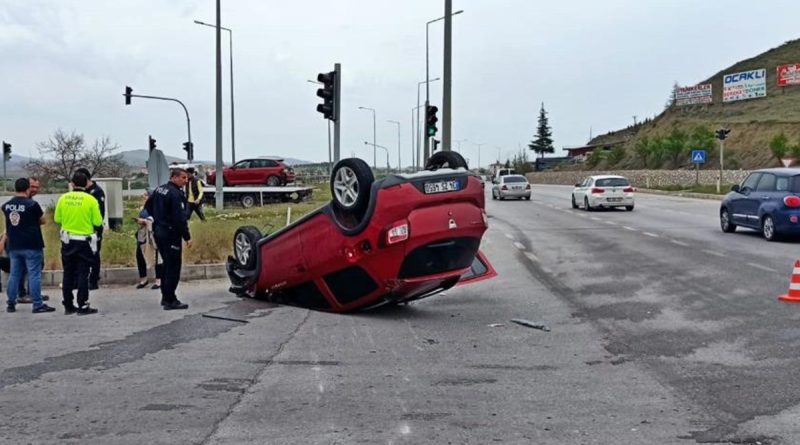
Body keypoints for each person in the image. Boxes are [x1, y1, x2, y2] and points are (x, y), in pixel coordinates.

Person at [53, 171, 102, 315]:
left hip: (67, 241)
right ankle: (83, 305)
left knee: (68, 273)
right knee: (83, 273)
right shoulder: (90, 199)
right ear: (86, 183)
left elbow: (57, 219)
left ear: (72, 184)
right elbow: (97, 222)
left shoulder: (63, 198)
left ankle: (68, 305)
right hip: (84, 242)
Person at [4, 178, 54, 313]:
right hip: (32, 244)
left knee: (14, 274)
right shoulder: (32, 204)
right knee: (34, 274)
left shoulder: (6, 206)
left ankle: (11, 303)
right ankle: (37, 304)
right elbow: (42, 220)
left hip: (14, 245)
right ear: (27, 189)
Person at [145, 168, 193, 310]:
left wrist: (158, 221)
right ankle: (170, 299)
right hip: (171, 234)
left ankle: (165, 297)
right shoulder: (175, 193)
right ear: (174, 177)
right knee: (173, 267)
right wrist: (187, 236)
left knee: (166, 265)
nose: (186, 181)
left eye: (186, 178)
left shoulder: (160, 189)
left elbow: (148, 206)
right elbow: (179, 218)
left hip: (159, 231)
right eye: (183, 178)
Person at [14, 176, 50, 303]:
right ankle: (26, 294)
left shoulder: (15, 203)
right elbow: (42, 220)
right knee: (28, 269)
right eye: (32, 187)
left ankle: (31, 293)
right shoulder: (30, 204)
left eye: (37, 187)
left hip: (19, 241)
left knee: (29, 269)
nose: (34, 190)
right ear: (25, 187)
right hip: (29, 242)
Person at [75, 168, 105, 290]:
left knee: (94, 254)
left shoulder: (96, 192)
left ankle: (93, 280)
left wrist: (95, 230)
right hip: (81, 230)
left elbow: (100, 214)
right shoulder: (83, 192)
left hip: (94, 229)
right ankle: (80, 280)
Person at [135, 191, 162, 289]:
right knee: (140, 255)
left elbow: (156, 220)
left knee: (155, 257)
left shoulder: (156, 207)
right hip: (143, 234)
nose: (144, 197)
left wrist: (145, 221)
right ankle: (143, 279)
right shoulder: (143, 207)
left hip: (152, 235)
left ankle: (158, 280)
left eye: (146, 195)